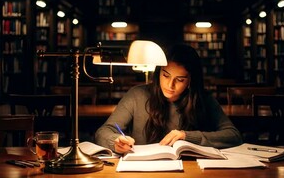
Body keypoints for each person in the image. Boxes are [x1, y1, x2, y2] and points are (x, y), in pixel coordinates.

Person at [94, 43, 243, 154]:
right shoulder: (136, 95)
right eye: (165, 75)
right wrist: (115, 142)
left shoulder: (203, 98)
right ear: (158, 72)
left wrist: (187, 136)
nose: (170, 85)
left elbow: (234, 135)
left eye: (180, 79)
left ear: (191, 80)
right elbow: (103, 132)